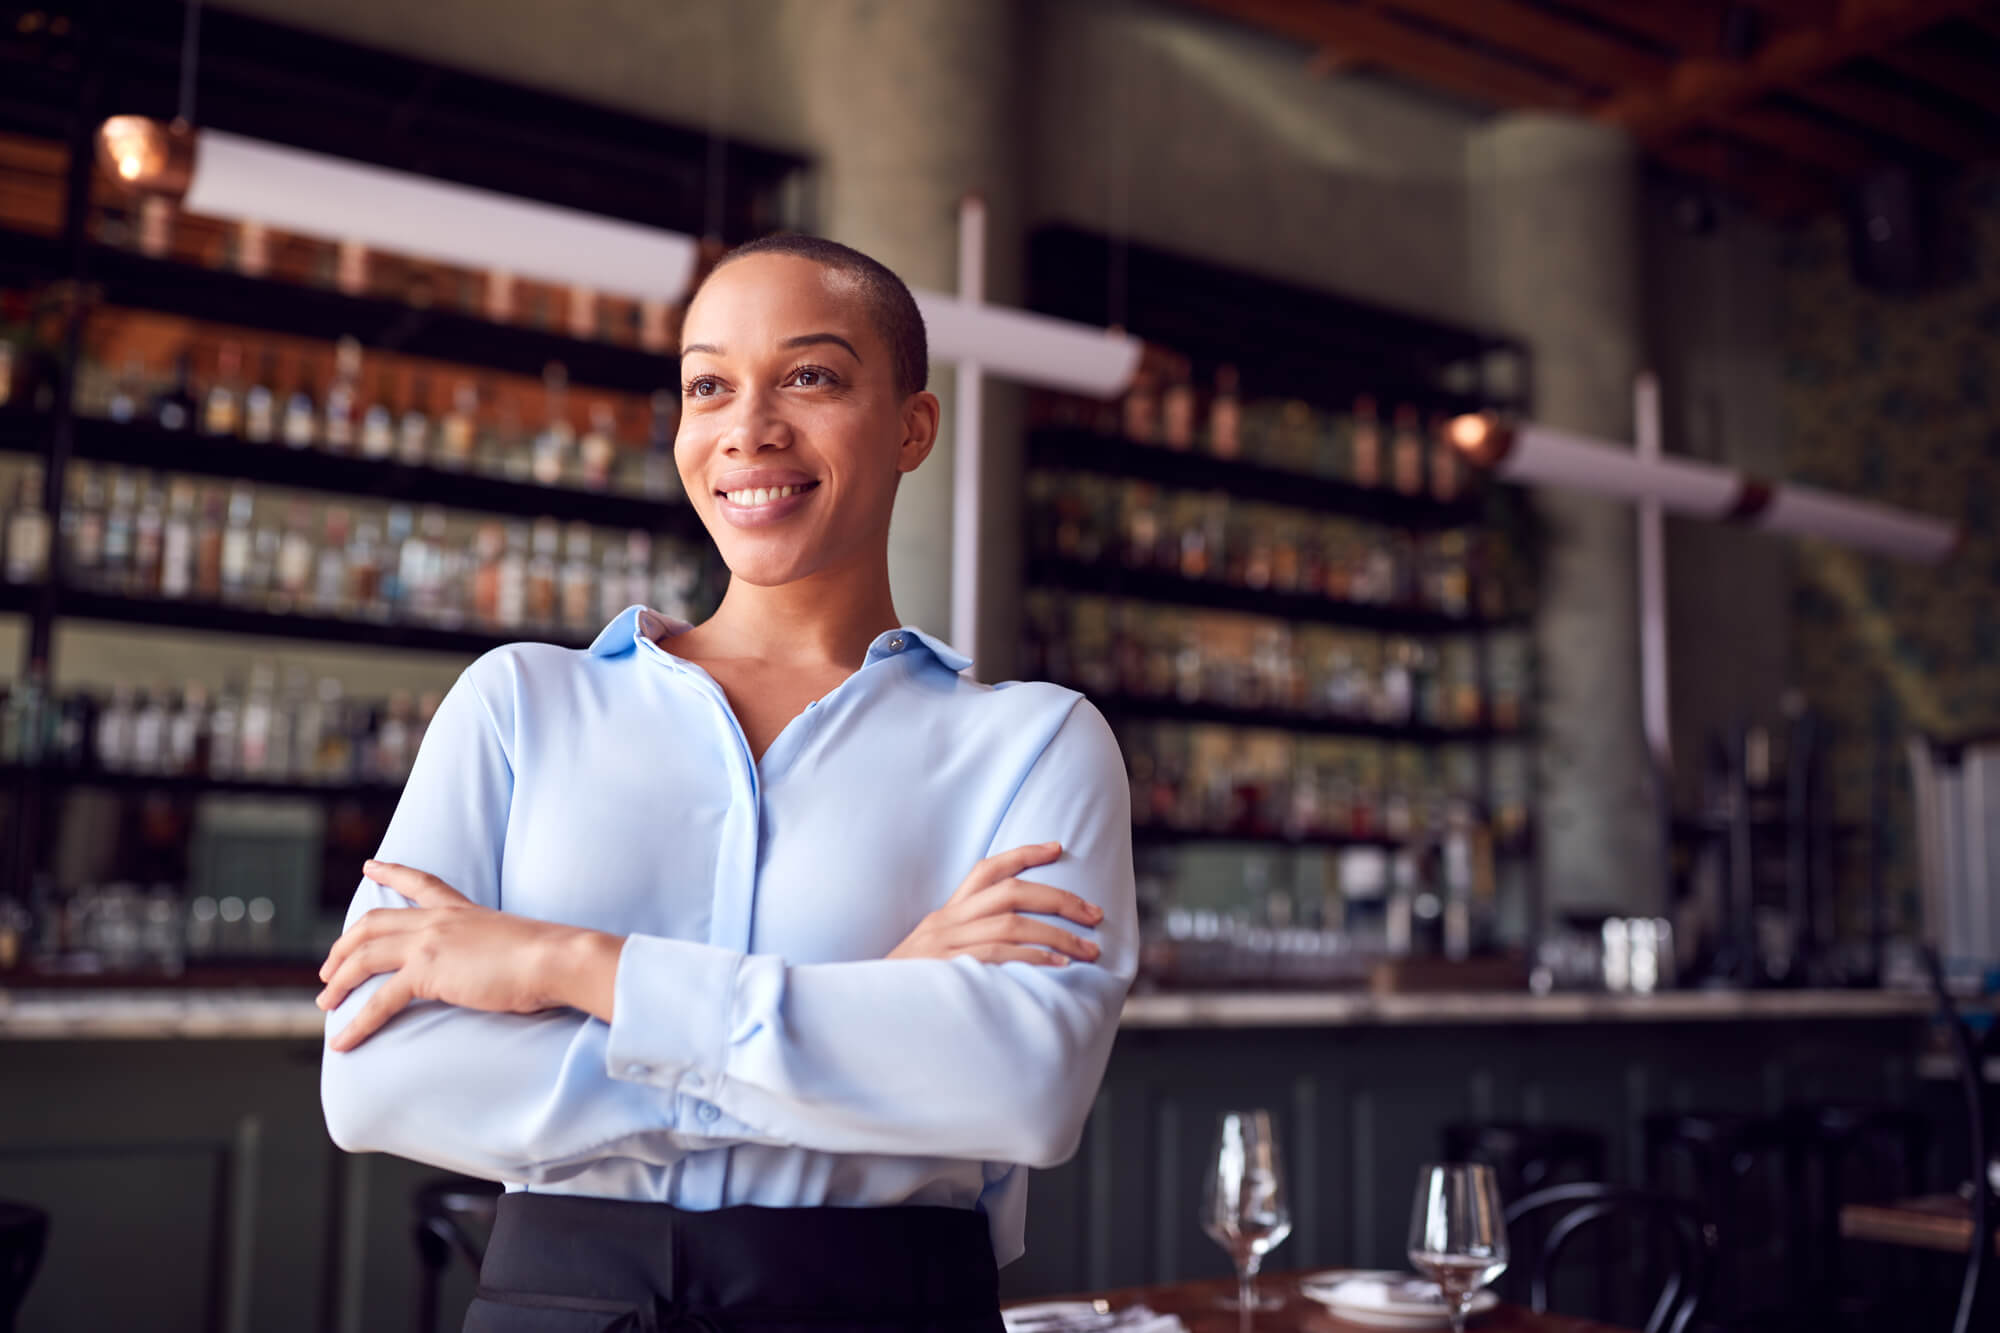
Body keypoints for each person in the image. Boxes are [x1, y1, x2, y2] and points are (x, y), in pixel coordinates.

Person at [315, 234, 1138, 1333]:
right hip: (563, 1303)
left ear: (912, 426)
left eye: (810, 376)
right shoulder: (517, 706)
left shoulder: (1036, 743)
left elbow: (1018, 1091)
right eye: (709, 385)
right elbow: (376, 1082)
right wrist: (868, 1006)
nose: (748, 428)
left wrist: (571, 965)